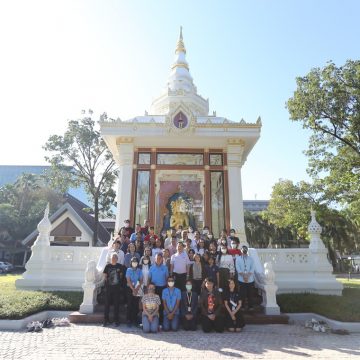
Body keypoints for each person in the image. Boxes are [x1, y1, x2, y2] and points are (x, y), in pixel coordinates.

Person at [103, 253, 126, 326]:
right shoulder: (107, 266)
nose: (114, 258)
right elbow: (105, 276)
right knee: (107, 304)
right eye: (113, 257)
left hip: (117, 289)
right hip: (108, 288)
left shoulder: (120, 266)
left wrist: (120, 285)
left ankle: (116, 320)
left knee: (116, 305)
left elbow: (122, 276)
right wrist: (106, 285)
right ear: (111, 258)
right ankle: (106, 320)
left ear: (117, 258)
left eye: (115, 257)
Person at [149, 252, 169, 326]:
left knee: (161, 305)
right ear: (155, 259)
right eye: (157, 258)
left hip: (163, 288)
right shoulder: (151, 267)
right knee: (154, 305)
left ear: (162, 259)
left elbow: (167, 279)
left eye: (160, 258)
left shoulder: (165, 268)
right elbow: (149, 279)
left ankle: (160, 322)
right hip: (154, 289)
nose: (158, 259)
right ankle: (153, 321)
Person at [235, 245, 255, 310]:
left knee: (250, 294)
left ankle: (251, 306)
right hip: (241, 279)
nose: (244, 251)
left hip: (250, 279)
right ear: (241, 251)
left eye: (245, 250)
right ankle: (242, 306)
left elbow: (252, 268)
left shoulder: (251, 259)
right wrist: (244, 276)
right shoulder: (238, 259)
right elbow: (238, 268)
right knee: (242, 294)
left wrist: (247, 276)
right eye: (243, 250)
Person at [125, 257, 143, 327]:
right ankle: (128, 320)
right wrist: (133, 289)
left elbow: (141, 280)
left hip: (137, 288)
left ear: (138, 263)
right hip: (130, 289)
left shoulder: (139, 270)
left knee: (136, 305)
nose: (134, 263)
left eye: (136, 261)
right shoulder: (128, 270)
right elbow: (128, 280)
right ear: (131, 262)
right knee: (129, 304)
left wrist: (137, 289)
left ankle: (135, 320)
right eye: (133, 261)